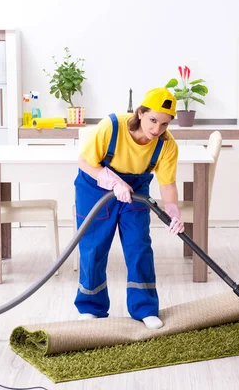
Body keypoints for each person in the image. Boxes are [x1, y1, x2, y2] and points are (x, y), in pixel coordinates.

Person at [73, 87, 185, 329]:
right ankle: (91, 307)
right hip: (95, 187)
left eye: (164, 124)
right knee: (94, 247)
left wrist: (173, 211)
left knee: (138, 246)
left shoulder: (166, 145)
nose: (157, 129)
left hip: (136, 190)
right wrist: (112, 181)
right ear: (140, 113)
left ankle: (144, 308)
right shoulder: (112, 126)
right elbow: (84, 161)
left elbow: (168, 184)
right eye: (153, 120)